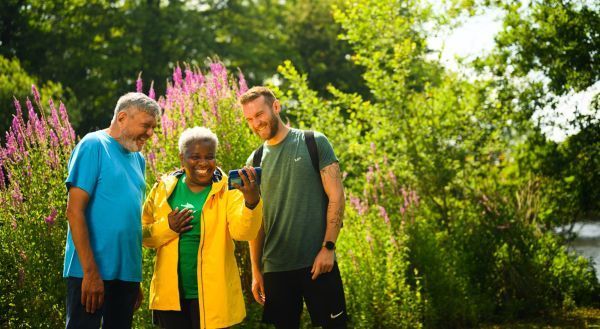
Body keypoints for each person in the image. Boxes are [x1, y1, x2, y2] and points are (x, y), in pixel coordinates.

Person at [239, 86, 348, 329]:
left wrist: (328, 247)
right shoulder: (253, 162)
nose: (256, 123)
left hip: (318, 262)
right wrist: (257, 271)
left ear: (275, 107)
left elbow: (337, 197)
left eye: (259, 114)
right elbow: (256, 221)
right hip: (276, 269)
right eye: (249, 119)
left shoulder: (313, 142)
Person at [142, 126, 262, 329]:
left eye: (209, 156)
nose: (204, 163)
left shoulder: (227, 190)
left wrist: (251, 201)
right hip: (171, 300)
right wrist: (168, 227)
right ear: (182, 158)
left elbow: (244, 233)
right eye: (195, 156)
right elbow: (143, 235)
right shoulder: (163, 188)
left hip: (213, 299)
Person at [64, 92, 161, 328]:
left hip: (125, 277)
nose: (150, 133)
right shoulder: (93, 145)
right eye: (146, 125)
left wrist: (132, 277)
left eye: (153, 127)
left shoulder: (138, 160)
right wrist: (90, 272)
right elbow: (74, 211)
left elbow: (129, 219)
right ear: (122, 117)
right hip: (91, 273)